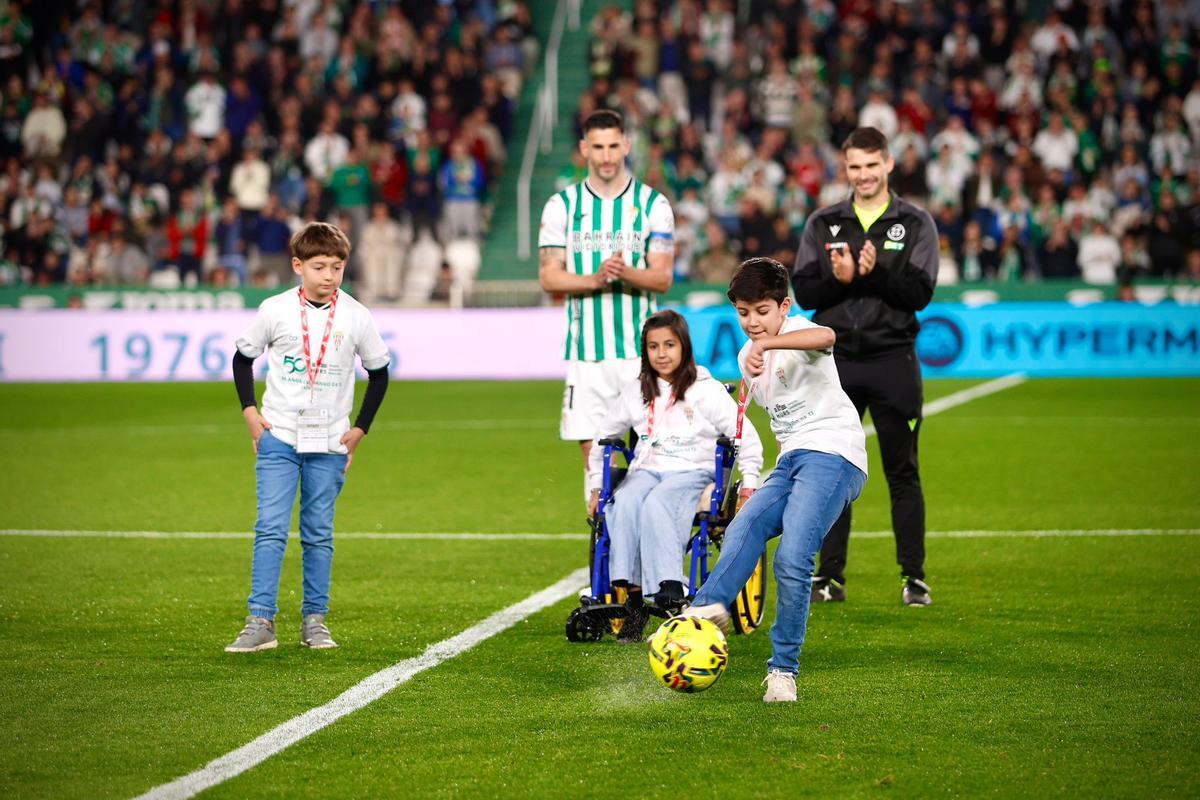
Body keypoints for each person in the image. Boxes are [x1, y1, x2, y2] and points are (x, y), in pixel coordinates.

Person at [683, 259, 867, 702]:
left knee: (793, 557)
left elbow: (828, 337)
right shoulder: (747, 357)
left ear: (784, 307)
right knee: (744, 526)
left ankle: (783, 670)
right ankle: (703, 612)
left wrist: (771, 342)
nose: (752, 322)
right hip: (792, 460)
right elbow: (771, 421)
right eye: (743, 312)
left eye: (762, 311)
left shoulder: (800, 332)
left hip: (834, 452)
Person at [225, 222, 391, 653]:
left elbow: (379, 373)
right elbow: (242, 360)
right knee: (270, 529)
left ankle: (315, 621)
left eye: (337, 267)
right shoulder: (275, 310)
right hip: (279, 438)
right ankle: (260, 621)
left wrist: (360, 429)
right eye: (319, 267)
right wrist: (250, 412)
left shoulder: (356, 315)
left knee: (318, 533)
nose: (329, 276)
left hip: (330, 444)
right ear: (298, 266)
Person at [792, 126, 939, 607]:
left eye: (872, 165)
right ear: (846, 167)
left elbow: (920, 294)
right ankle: (829, 578)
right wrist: (842, 279)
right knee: (832, 470)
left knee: (903, 471)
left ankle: (914, 578)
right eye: (855, 167)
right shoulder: (823, 222)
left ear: (888, 164)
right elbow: (806, 293)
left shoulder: (915, 222)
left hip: (894, 361)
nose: (864, 175)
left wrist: (875, 274)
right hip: (835, 366)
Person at [587, 310, 763, 641]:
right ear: (645, 351)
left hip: (693, 470)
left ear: (684, 346)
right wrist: (597, 486)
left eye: (669, 345)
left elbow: (746, 437)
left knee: (659, 502)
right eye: (653, 346)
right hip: (647, 469)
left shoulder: (706, 389)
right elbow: (603, 438)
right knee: (624, 501)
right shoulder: (636, 391)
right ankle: (633, 597)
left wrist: (748, 485)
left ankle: (670, 586)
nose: (662, 353)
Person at [538, 109, 675, 500]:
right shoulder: (562, 206)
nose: (607, 156)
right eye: (598, 147)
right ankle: (603, 533)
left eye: (614, 145)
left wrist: (624, 272)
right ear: (585, 149)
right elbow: (549, 277)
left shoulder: (653, 205)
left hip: (641, 354)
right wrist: (595, 279)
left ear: (626, 145)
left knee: (653, 456)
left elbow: (663, 277)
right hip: (587, 355)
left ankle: (643, 528)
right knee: (595, 461)